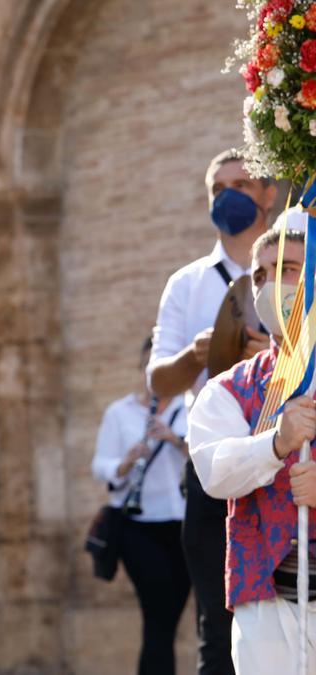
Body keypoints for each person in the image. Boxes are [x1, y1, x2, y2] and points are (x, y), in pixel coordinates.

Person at [147, 149, 278, 675]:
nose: (229, 196)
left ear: (267, 194)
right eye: (217, 188)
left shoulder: (296, 268)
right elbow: (158, 382)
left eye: (242, 184)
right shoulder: (187, 283)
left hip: (283, 450)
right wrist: (196, 357)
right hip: (211, 466)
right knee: (217, 626)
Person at [188, 227, 316, 673]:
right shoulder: (229, 389)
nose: (269, 284)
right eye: (260, 275)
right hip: (266, 603)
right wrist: (275, 444)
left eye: (288, 269)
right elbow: (213, 471)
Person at [92, 337, 190, 674]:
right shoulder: (119, 413)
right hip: (137, 528)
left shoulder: (189, 409)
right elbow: (100, 465)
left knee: (167, 619)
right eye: (150, 368)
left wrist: (174, 439)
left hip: (181, 527)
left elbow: (209, 461)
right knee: (158, 615)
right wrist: (126, 461)